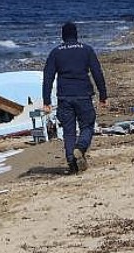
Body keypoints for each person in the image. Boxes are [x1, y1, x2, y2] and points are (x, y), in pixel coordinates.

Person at [43, 22, 108, 174]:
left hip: (64, 96)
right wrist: (103, 95)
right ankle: (81, 148)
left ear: (62, 36)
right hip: (83, 94)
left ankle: (72, 163)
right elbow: (97, 73)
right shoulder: (86, 50)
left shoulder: (55, 52)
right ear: (76, 35)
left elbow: (48, 78)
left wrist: (46, 101)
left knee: (69, 131)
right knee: (87, 126)